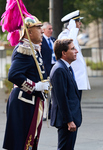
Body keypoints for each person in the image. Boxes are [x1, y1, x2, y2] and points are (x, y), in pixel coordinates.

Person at [3, 16, 50, 150]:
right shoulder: (24, 49)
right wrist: (35, 86)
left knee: (30, 140)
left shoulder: (32, 47)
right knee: (22, 142)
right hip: (23, 102)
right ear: (29, 32)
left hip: (31, 101)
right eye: (38, 28)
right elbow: (13, 75)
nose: (42, 31)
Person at [50, 39, 81, 150]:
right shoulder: (59, 69)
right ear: (63, 53)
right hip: (66, 121)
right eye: (72, 49)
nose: (76, 51)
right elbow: (61, 98)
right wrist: (69, 121)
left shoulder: (65, 67)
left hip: (70, 119)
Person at [58, 10, 90, 98]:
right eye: (78, 21)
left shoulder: (71, 35)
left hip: (77, 80)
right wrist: (73, 29)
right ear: (71, 23)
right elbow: (69, 46)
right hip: (72, 80)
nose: (80, 24)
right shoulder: (64, 36)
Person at [41, 22, 56, 121]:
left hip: (54, 67)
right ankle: (45, 113)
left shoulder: (53, 40)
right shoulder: (41, 41)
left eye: (51, 29)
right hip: (46, 69)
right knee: (46, 92)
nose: (51, 31)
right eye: (49, 29)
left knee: (54, 91)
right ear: (44, 30)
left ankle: (51, 112)